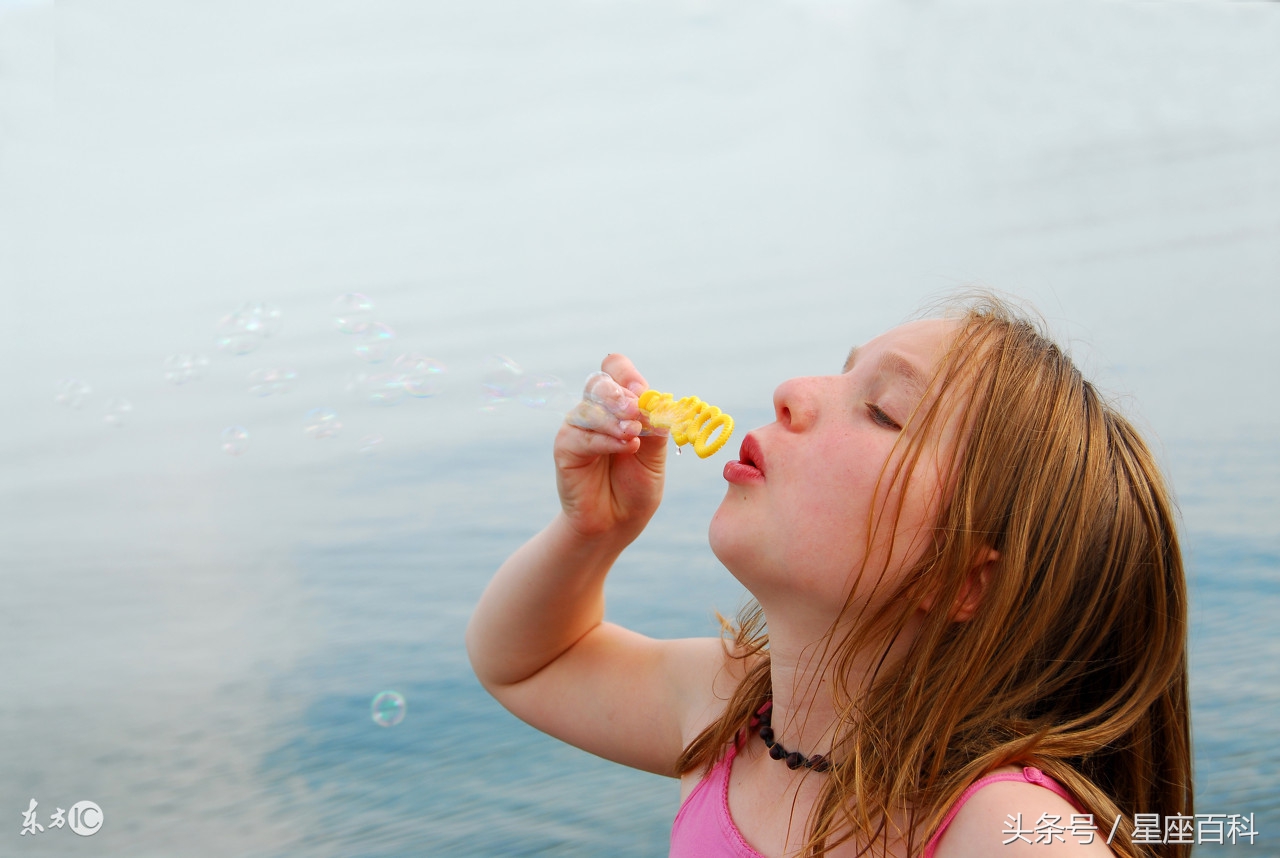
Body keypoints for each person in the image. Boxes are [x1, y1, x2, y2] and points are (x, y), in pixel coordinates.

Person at [465, 292, 1192, 858]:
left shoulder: (1000, 826)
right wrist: (590, 534)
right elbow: (530, 664)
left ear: (959, 579)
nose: (792, 389)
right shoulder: (734, 714)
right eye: (842, 370)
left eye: (880, 411)